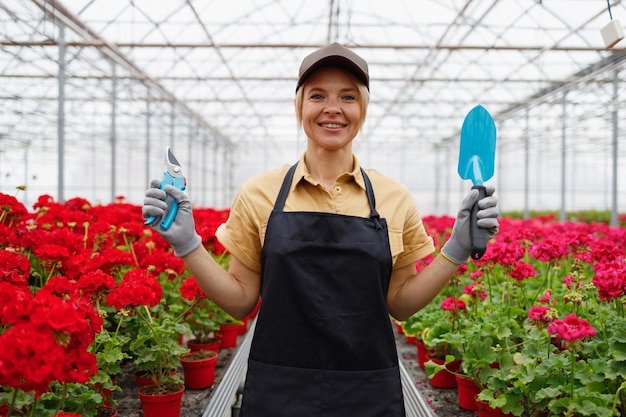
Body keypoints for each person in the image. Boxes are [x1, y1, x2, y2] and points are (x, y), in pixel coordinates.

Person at [142, 42, 499, 417]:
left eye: (348, 96)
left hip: (368, 388)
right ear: (300, 107)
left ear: (361, 110)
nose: (333, 108)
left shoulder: (394, 197)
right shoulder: (259, 192)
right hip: (278, 388)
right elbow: (240, 301)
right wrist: (187, 244)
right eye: (318, 95)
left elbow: (400, 305)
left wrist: (455, 251)